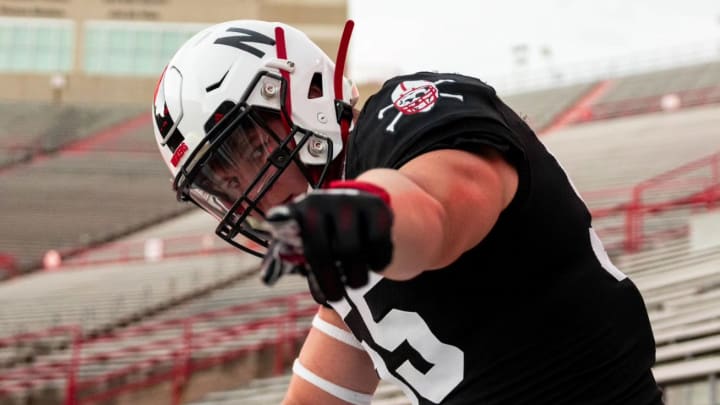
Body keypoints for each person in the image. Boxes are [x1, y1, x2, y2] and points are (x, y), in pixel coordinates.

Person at [152, 19, 663, 405]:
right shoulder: (339, 265)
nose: (250, 194)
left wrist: (371, 219)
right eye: (224, 182)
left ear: (299, 96)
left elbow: (437, 207)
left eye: (249, 151)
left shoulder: (405, 118)